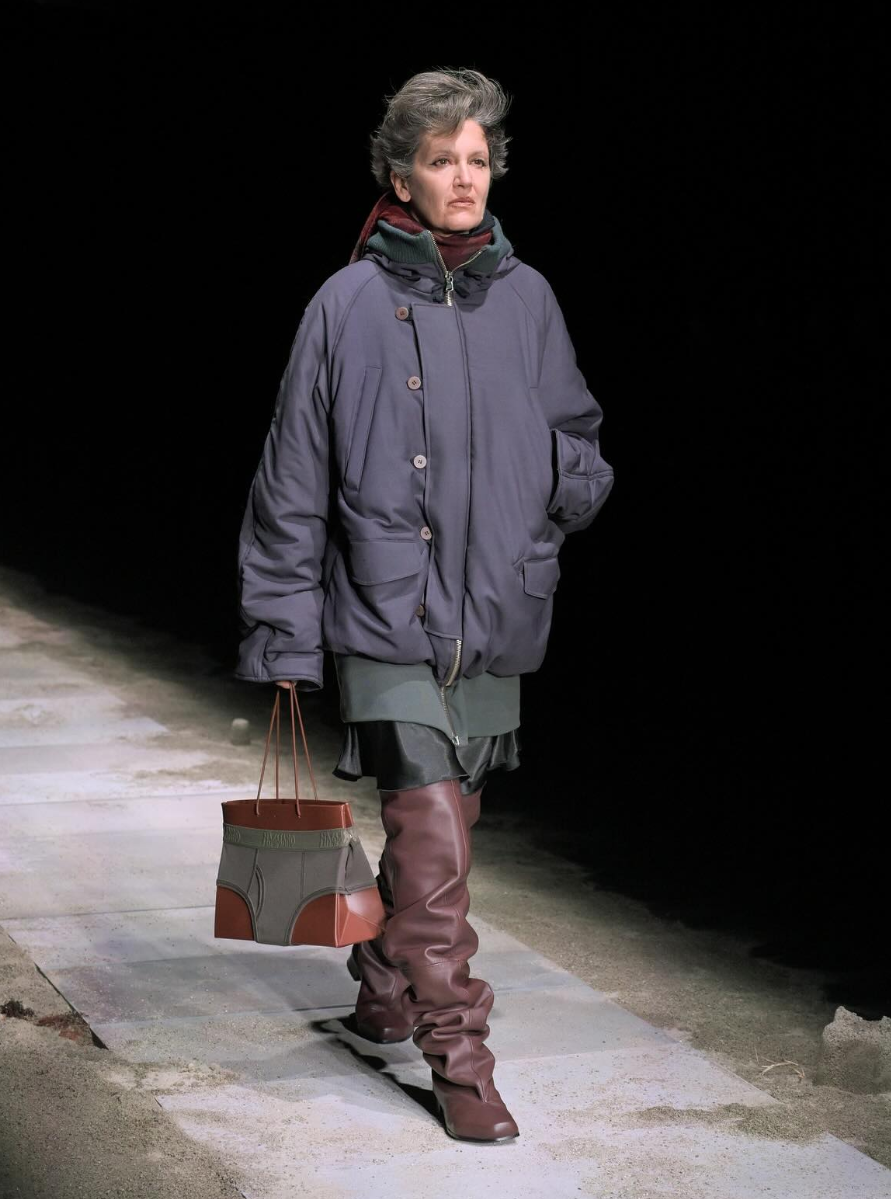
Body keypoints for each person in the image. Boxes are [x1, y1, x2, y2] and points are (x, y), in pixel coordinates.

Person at [234, 67, 614, 1143]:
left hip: (494, 609)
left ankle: (380, 977)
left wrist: (554, 485)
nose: (463, 177)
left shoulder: (527, 298)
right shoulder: (346, 304)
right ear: (400, 175)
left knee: (441, 840)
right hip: (384, 611)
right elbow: (292, 478)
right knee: (433, 837)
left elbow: (579, 436)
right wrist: (284, 630)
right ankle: (460, 1058)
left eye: (478, 159)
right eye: (441, 159)